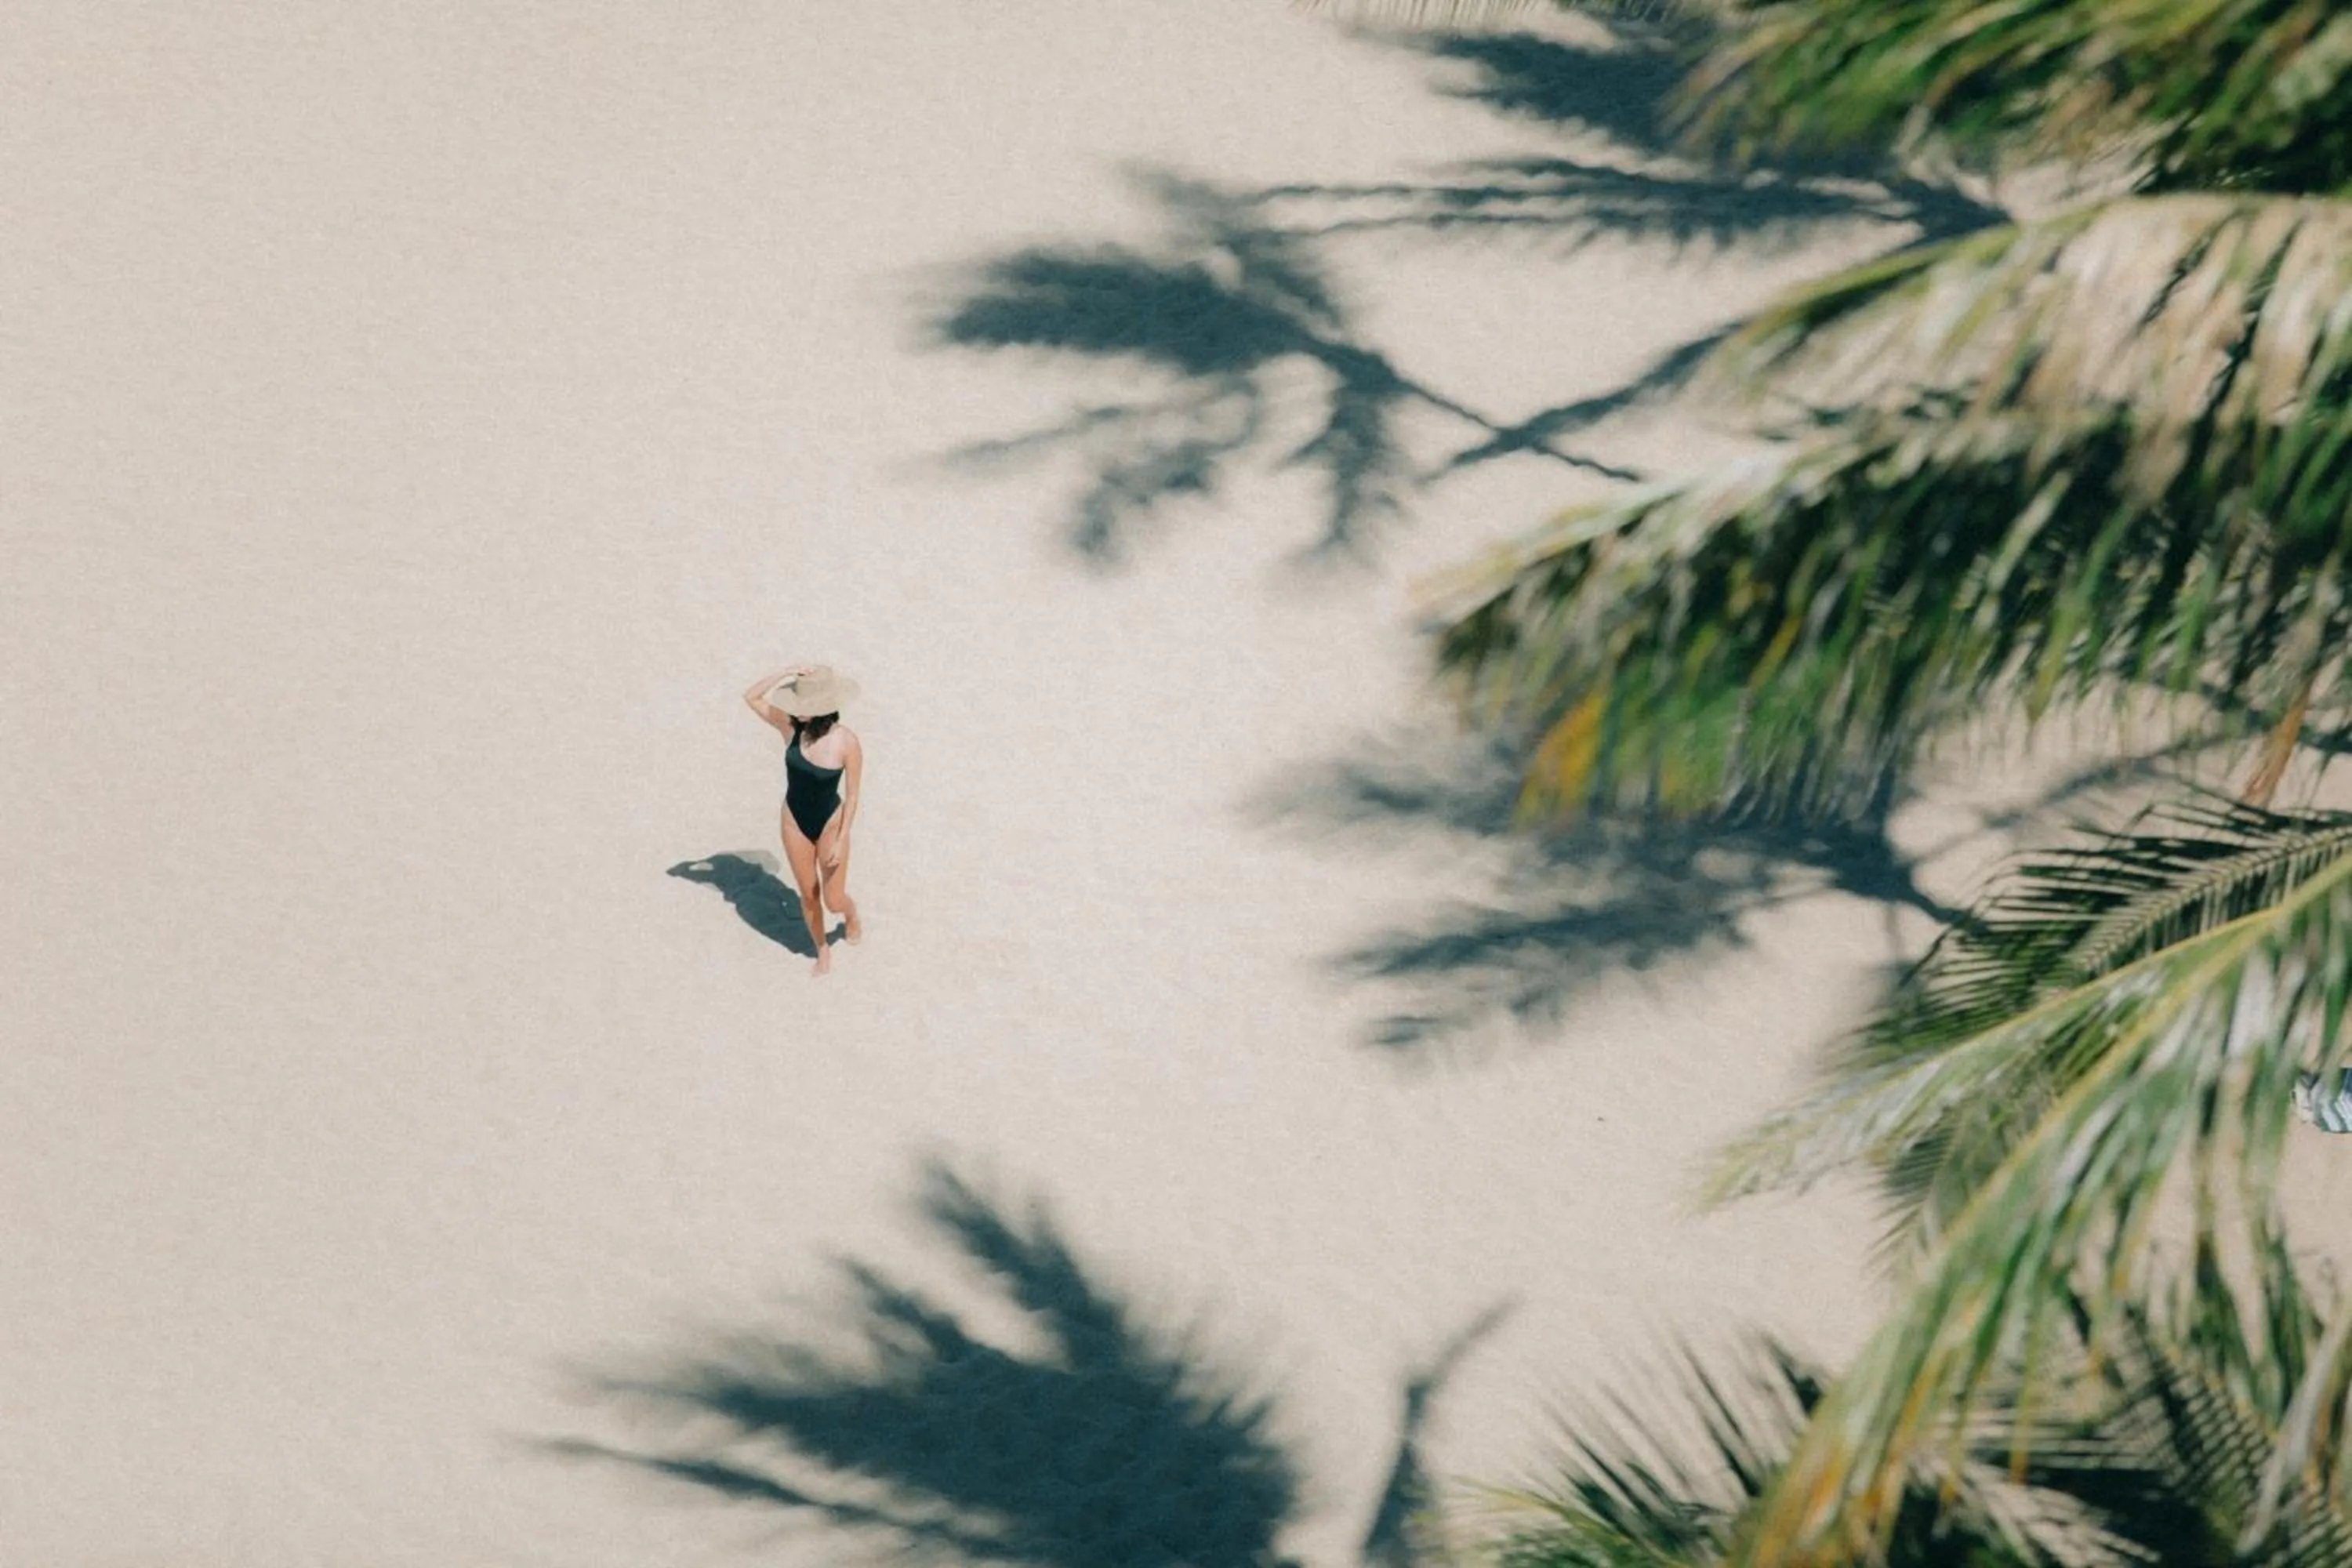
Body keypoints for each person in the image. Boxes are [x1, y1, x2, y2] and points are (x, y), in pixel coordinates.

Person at [743, 664, 864, 975]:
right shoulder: (790, 728)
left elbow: (852, 796)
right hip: (793, 820)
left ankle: (851, 916)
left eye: (804, 707)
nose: (796, 712)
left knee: (833, 899)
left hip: (830, 823)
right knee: (808, 895)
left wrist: (841, 838)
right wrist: (785, 672)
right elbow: (751, 696)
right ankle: (822, 950)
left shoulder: (847, 742)